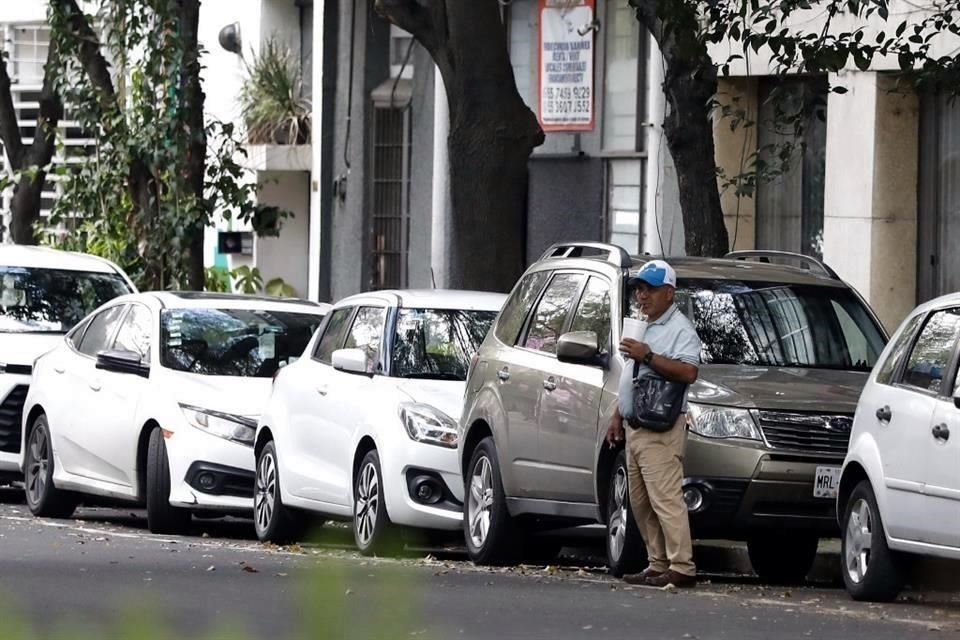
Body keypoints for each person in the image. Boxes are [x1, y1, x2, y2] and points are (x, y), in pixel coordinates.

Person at [606, 259, 701, 588]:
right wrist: (617, 413)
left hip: (661, 426)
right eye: (639, 290)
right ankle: (658, 564)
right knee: (641, 502)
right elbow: (630, 376)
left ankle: (681, 566)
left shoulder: (681, 330)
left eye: (650, 289)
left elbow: (689, 372)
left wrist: (647, 356)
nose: (642, 296)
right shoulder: (641, 324)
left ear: (669, 293)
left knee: (665, 499)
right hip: (636, 425)